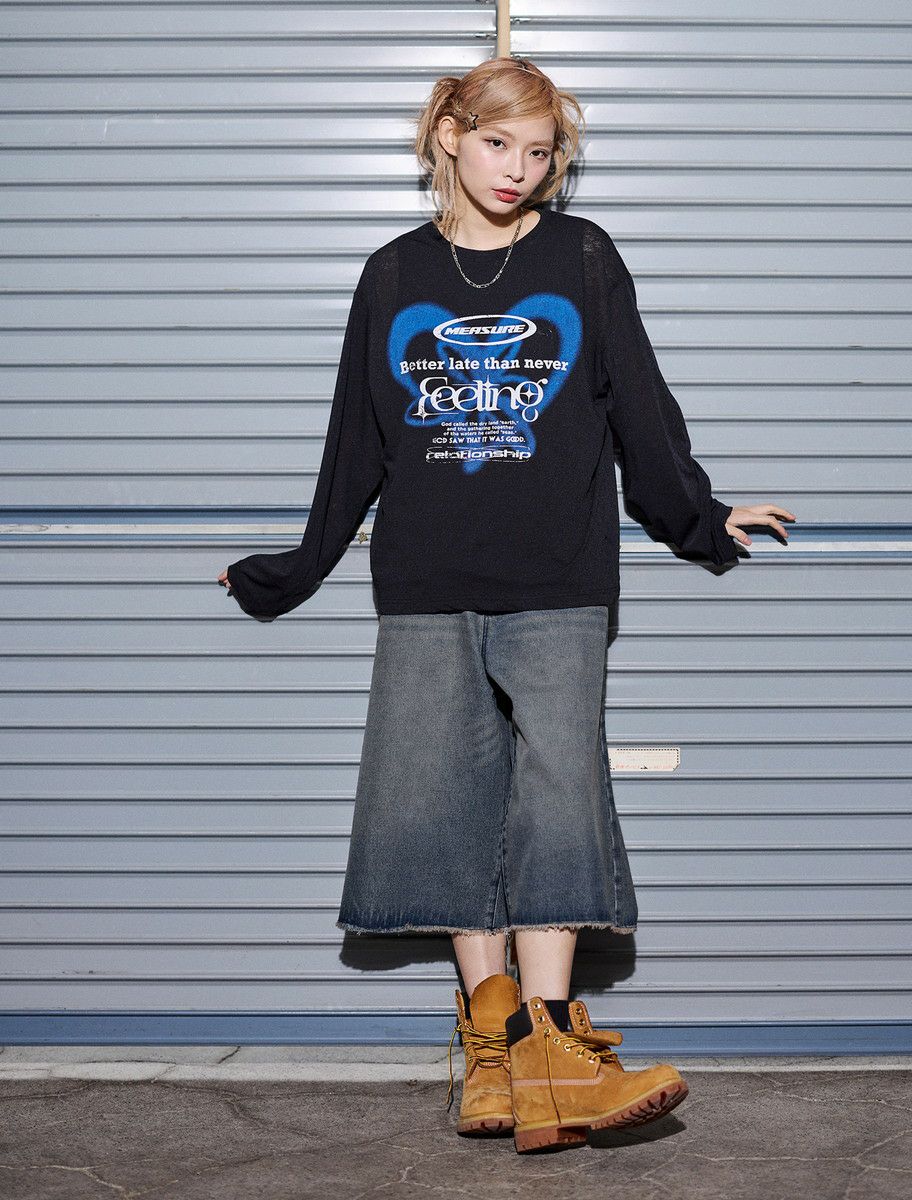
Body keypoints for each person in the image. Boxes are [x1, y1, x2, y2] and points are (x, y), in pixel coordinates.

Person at [217, 57, 794, 1153]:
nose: (517, 170)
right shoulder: (392, 273)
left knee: (559, 802)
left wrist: (698, 515)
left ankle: (552, 1047)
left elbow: (637, 401)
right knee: (442, 807)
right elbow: (354, 443)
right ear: (448, 134)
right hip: (427, 582)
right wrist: (291, 568)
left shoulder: (581, 256)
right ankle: (492, 1060)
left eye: (538, 153)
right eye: (497, 144)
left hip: (558, 581)